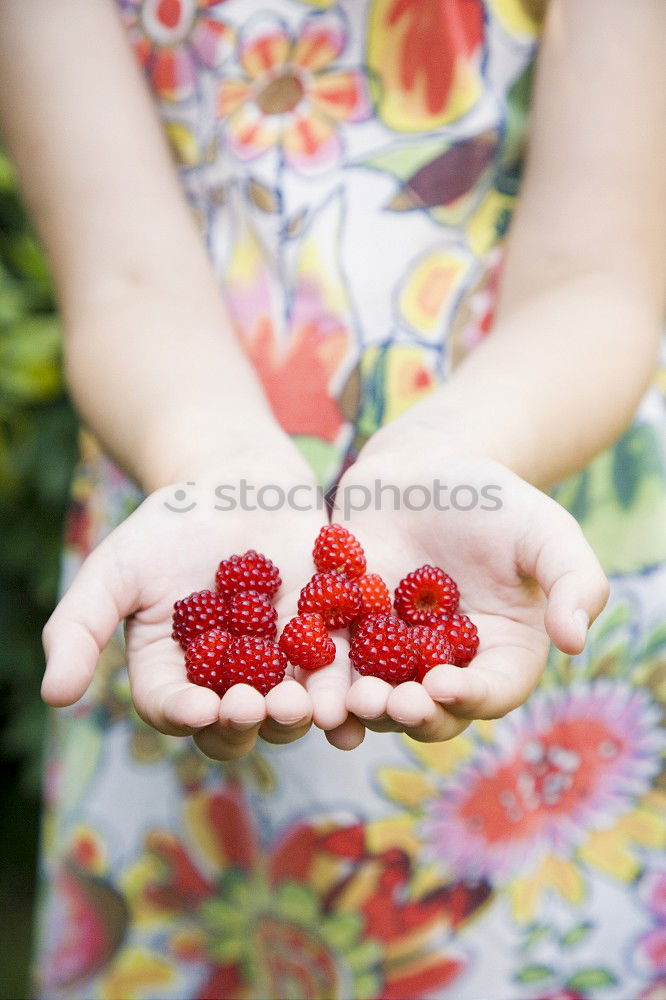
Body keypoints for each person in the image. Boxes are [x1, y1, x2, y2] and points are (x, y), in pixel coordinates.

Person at [1, 0, 665, 997]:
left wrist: (451, 449)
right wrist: (216, 462)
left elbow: (597, 278)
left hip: (518, 481)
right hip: (187, 464)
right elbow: (125, 281)